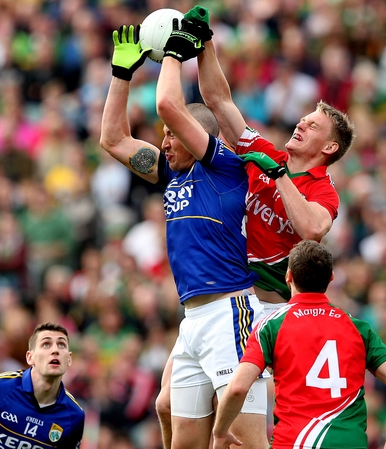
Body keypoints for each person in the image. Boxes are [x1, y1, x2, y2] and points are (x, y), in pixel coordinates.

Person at [99, 23, 268, 449]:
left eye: (173, 134)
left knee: (246, 441)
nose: (164, 139)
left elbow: (168, 104)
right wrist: (121, 75)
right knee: (178, 430)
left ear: (201, 137)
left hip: (231, 313)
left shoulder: (225, 167)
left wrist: (174, 53)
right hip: (192, 320)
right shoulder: (171, 173)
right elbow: (113, 139)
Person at [185, 6, 356, 310]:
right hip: (231, 298)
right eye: (303, 119)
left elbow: (312, 229)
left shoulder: (323, 191)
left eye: (312, 125)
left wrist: (279, 176)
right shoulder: (265, 152)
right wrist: (205, 44)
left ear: (329, 148)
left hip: (273, 310)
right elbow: (219, 102)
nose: (300, 123)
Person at [212, 240, 386, 449]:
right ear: (331, 278)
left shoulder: (271, 326)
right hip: (348, 442)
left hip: (294, 442)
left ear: (288, 276)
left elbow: (237, 388)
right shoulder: (358, 327)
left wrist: (220, 431)